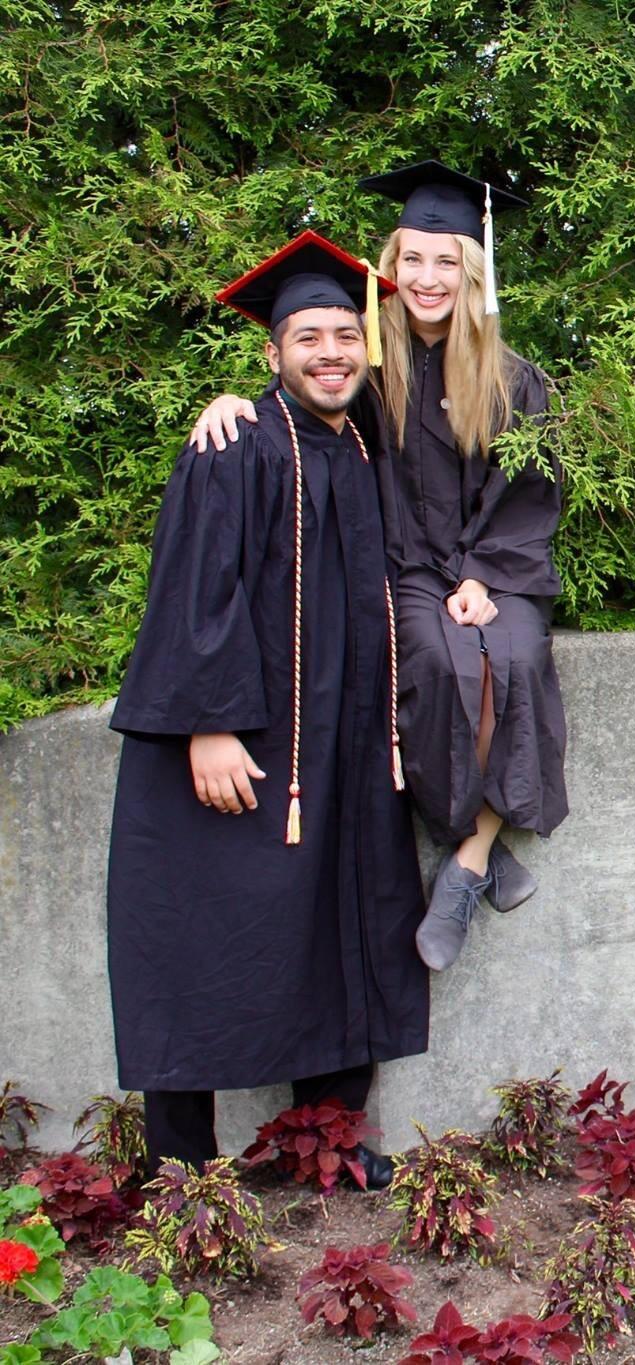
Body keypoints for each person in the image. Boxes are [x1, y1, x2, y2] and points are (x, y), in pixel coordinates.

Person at [190, 161, 569, 974]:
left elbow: (534, 495)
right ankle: (487, 853)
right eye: (413, 259)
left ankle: (465, 870)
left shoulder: (513, 379)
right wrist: (237, 406)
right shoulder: (372, 362)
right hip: (404, 567)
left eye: (446, 261)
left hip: (497, 572)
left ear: (472, 270)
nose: (427, 278)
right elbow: (303, 401)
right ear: (391, 266)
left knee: (516, 657)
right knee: (434, 660)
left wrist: (485, 579)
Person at [109, 232, 427, 1183]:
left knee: (346, 920)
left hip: (350, 738)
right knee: (206, 927)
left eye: (345, 334)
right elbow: (195, 589)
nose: (331, 351)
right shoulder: (236, 447)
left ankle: (324, 1145)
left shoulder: (372, 444)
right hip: (249, 742)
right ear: (272, 353)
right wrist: (203, 724)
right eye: (309, 338)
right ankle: (182, 1170)